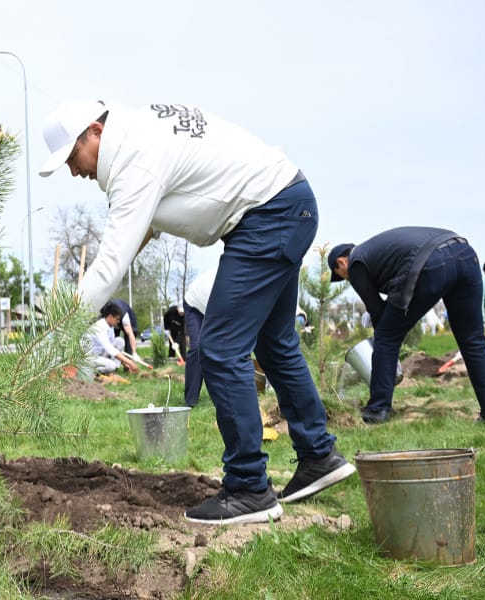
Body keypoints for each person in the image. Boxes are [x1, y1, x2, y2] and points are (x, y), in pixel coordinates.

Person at [39, 99, 354, 525]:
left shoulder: (134, 158)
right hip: (287, 202)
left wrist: (59, 330)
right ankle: (319, 456)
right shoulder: (141, 134)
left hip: (267, 215)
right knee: (275, 343)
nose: (75, 172)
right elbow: (139, 232)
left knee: (221, 349)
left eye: (72, 158)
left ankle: (248, 487)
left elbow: (110, 261)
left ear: (95, 131)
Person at [329, 229, 485, 424]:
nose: (346, 279)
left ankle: (377, 409)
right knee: (472, 340)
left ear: (341, 262)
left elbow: (378, 314)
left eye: (341, 275)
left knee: (386, 337)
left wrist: (383, 345)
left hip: (431, 262)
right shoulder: (375, 251)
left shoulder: (355, 263)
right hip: (464, 253)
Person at [182, 268, 216, 407]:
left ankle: (221, 394)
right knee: (197, 347)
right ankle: (190, 399)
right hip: (194, 304)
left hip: (210, 307)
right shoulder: (222, 288)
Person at [86, 301, 139, 376]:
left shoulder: (110, 327)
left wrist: (125, 364)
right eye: (117, 319)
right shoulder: (100, 326)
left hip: (100, 355)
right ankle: (92, 371)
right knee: (111, 365)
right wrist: (130, 362)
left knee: (119, 341)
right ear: (110, 317)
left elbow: (113, 348)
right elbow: (110, 350)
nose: (118, 322)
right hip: (88, 358)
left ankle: (110, 371)